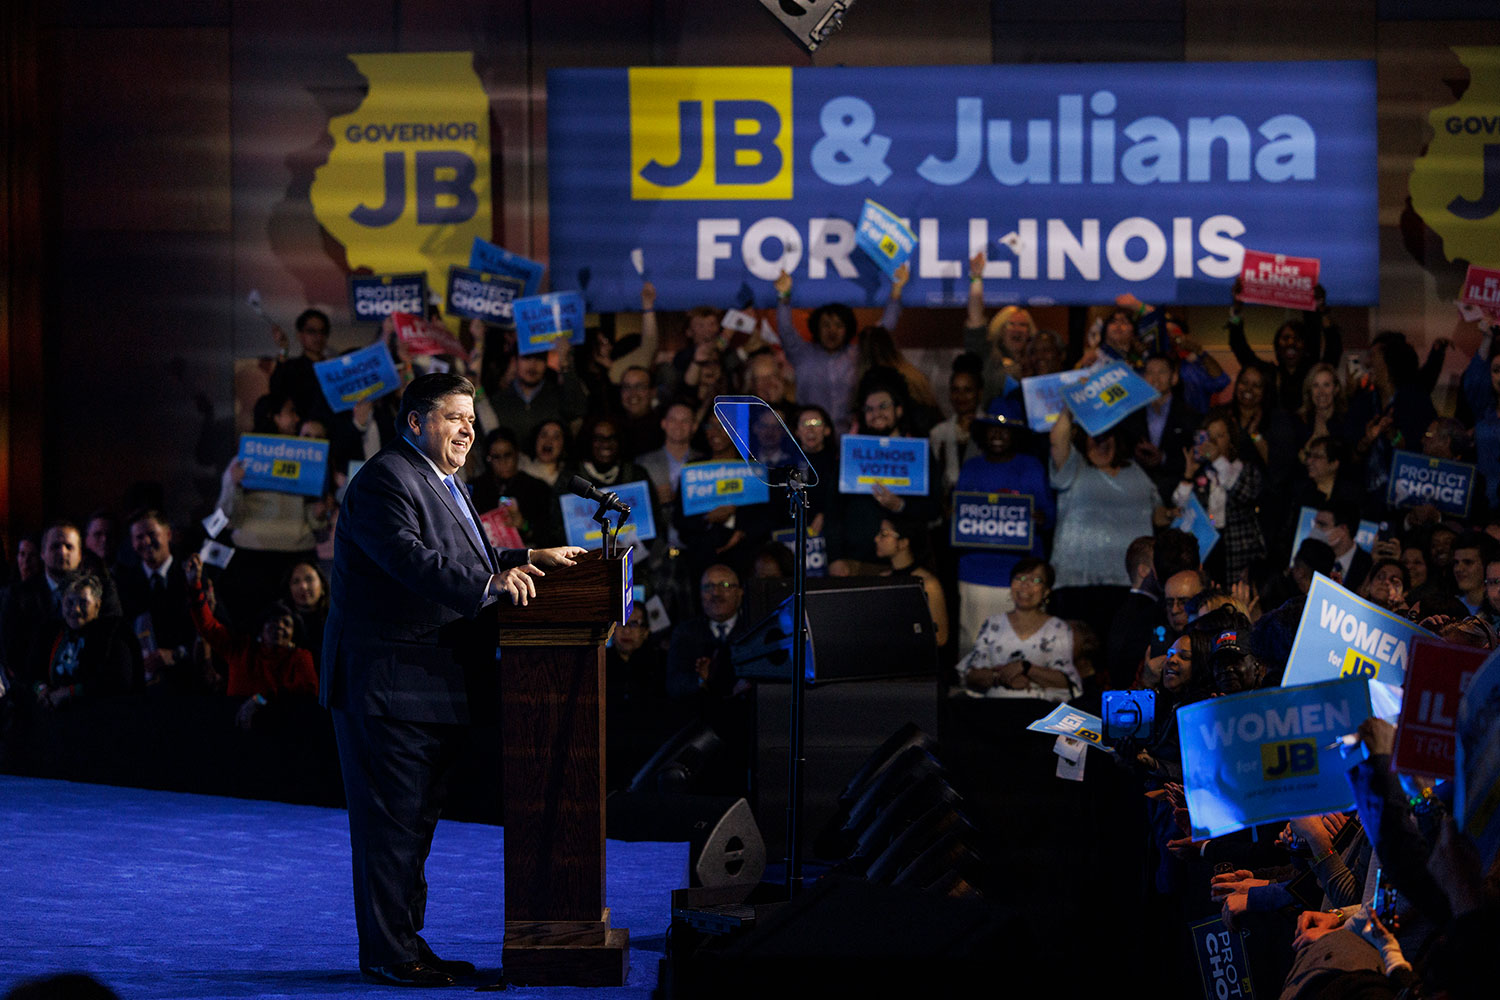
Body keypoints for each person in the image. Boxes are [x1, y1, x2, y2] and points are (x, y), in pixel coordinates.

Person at [321, 372, 584, 987]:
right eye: (455, 417)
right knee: (390, 829)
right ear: (416, 422)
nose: (470, 428)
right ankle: (389, 954)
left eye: (472, 417)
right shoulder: (387, 479)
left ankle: (405, 944)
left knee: (412, 826)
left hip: (428, 685)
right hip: (386, 685)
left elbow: (465, 559)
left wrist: (523, 559)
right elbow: (411, 560)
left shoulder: (443, 480)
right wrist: (486, 585)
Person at [954, 558, 1080, 701]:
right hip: (993, 705)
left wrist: (1025, 668)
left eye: (1035, 580)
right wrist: (1001, 678)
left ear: (1046, 591)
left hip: (1041, 709)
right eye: (1020, 578)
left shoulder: (1058, 628)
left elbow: (1065, 681)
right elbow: (972, 675)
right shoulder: (993, 623)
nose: (1025, 585)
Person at [873, 516, 949, 651]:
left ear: (903, 543)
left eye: (884, 534)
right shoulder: (881, 578)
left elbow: (940, 637)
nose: (876, 539)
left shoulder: (929, 584)